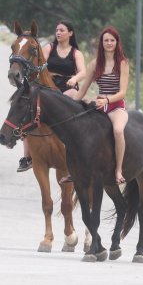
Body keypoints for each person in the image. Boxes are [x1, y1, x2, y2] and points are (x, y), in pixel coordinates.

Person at [17, 20, 86, 172]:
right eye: (57, 30)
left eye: (62, 30)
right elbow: (40, 62)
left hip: (67, 85)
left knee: (74, 97)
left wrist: (74, 78)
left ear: (70, 33)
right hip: (49, 84)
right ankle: (27, 157)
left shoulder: (76, 53)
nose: (58, 32)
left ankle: (77, 148)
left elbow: (83, 72)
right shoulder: (49, 47)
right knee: (28, 110)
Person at [68, 26, 129, 185]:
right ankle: (76, 168)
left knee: (118, 130)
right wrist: (71, 104)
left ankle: (119, 169)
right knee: (78, 130)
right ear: (101, 43)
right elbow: (82, 91)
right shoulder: (95, 64)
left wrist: (108, 100)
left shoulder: (122, 63)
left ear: (117, 42)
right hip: (99, 106)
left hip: (116, 106)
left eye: (112, 40)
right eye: (106, 40)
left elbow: (122, 92)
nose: (109, 43)